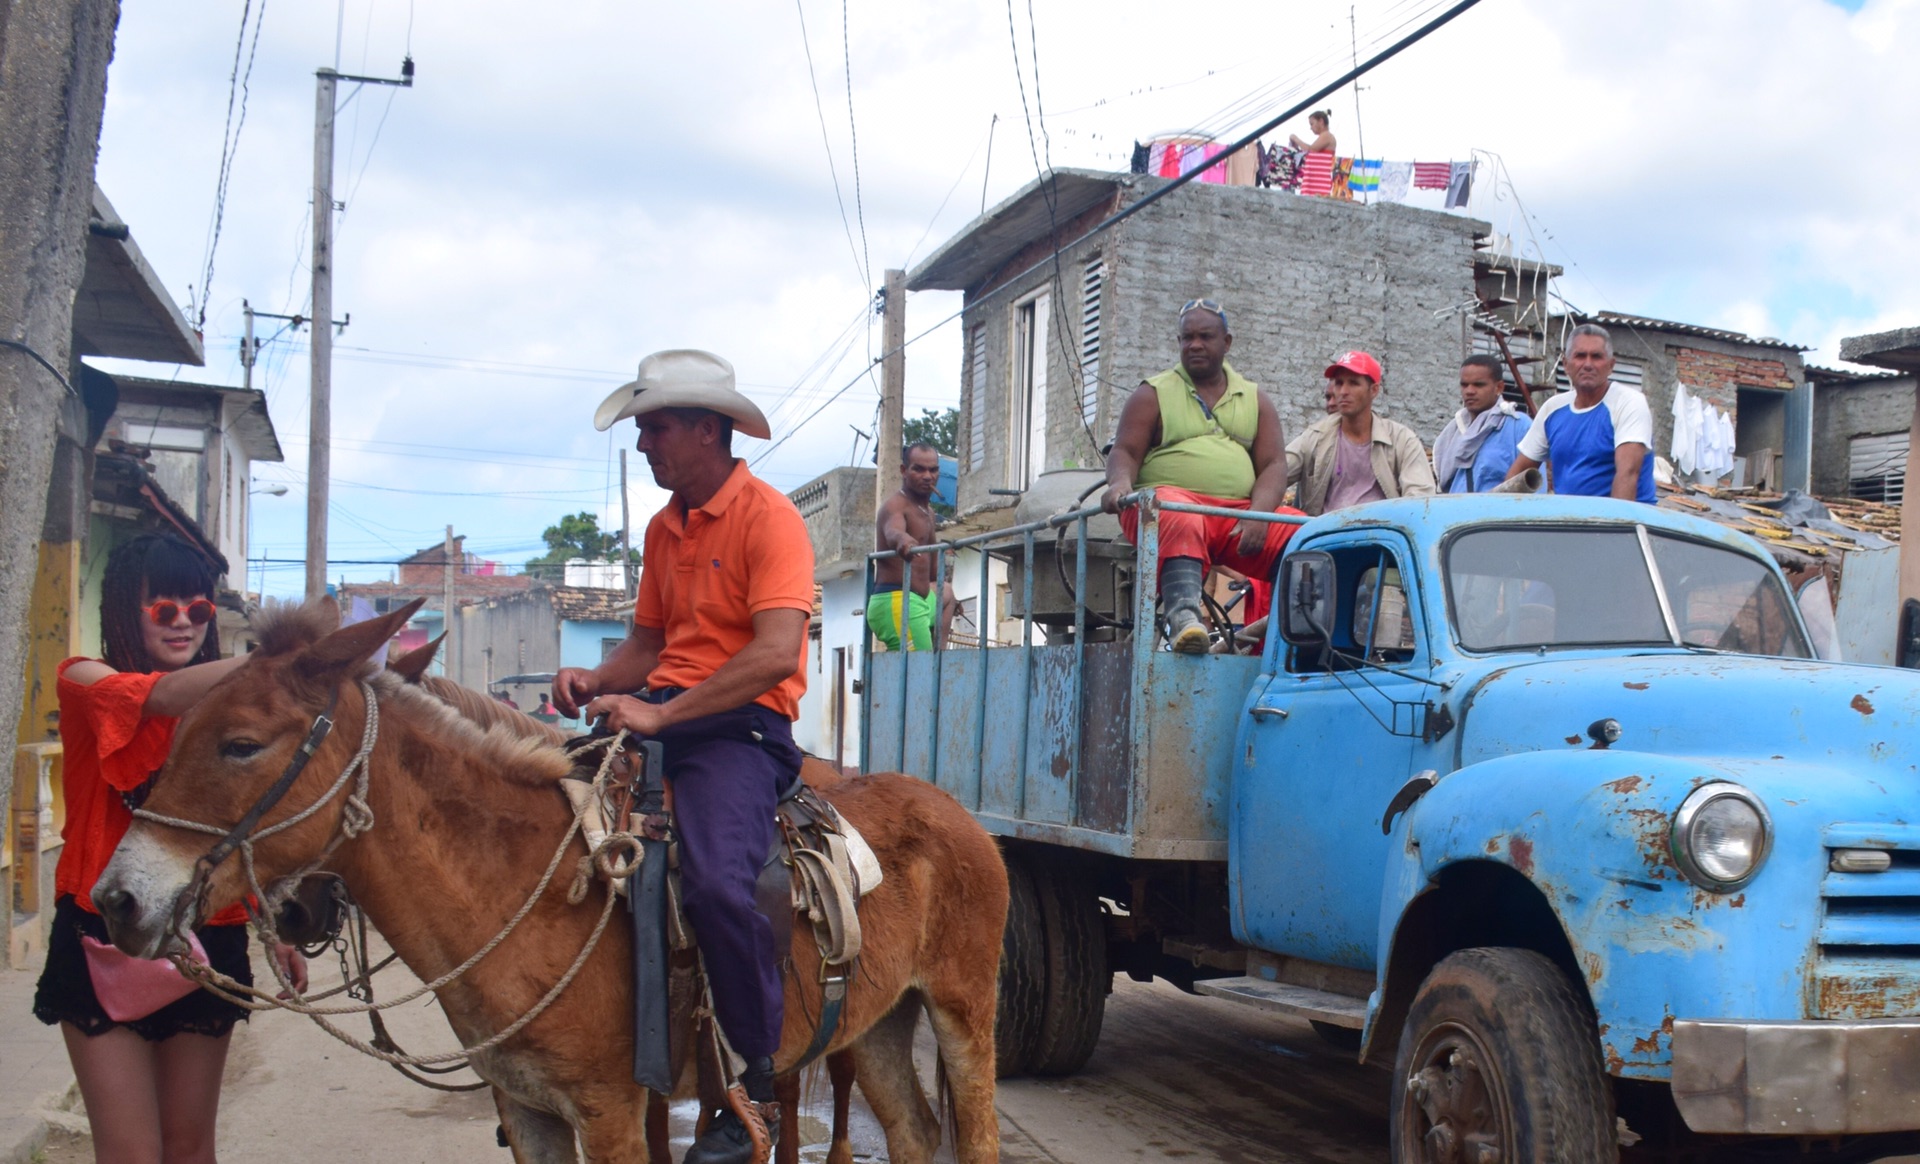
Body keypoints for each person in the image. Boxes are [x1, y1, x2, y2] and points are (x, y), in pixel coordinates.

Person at [554, 349, 814, 1164]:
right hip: (663, 714)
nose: (644, 447)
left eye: (655, 429)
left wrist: (662, 717)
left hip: (741, 729)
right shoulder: (666, 528)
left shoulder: (770, 518)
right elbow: (651, 644)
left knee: (713, 884)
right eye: (642, 431)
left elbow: (774, 653)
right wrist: (597, 679)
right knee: (538, 833)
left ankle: (754, 1091)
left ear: (709, 430)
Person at [33, 533, 307, 1164]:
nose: (184, 621)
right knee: (130, 1153)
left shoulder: (228, 711)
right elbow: (153, 698)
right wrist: (282, 658)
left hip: (208, 933)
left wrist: (275, 929)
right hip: (103, 936)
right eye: (163, 608)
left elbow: (244, 830)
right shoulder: (84, 679)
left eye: (199, 609)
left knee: (189, 1151)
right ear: (128, 608)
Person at [1102, 298, 1299, 654]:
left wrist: (1259, 515)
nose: (1194, 344)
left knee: (1310, 534)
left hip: (1235, 516)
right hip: (1161, 512)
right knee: (1178, 510)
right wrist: (1119, 484)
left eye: (1205, 336)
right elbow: (1124, 452)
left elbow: (1273, 465)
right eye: (1186, 337)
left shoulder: (1254, 398)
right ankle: (1185, 622)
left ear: (1227, 342)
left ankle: (1302, 640)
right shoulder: (1152, 394)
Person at [1505, 323, 1656, 503]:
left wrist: (1616, 530)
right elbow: (1515, 478)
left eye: (1597, 357)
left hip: (1626, 523)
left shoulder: (1629, 403)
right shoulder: (1552, 409)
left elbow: (1628, 474)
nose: (1588, 364)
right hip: (1571, 524)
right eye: (1580, 356)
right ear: (1566, 364)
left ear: (1611, 365)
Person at [1286, 350, 1438, 515]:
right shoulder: (1316, 436)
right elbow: (1276, 471)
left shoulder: (1402, 440)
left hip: (1381, 536)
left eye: (1353, 383)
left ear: (1373, 390)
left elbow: (1421, 500)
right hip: (1327, 537)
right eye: (1339, 383)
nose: (1343, 391)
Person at [866, 441, 942, 651]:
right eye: (919, 469)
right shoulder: (895, 505)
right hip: (896, 599)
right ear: (904, 470)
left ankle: (941, 659)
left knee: (947, 595)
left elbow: (934, 570)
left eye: (933, 470)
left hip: (920, 598)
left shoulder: (928, 512)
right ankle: (930, 665)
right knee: (919, 676)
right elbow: (893, 531)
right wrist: (902, 539)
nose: (928, 476)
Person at [1433, 355, 1533, 493]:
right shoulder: (1454, 431)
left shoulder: (1519, 426)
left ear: (1499, 387)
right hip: (1456, 512)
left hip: (1499, 513)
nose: (1469, 391)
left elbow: (1534, 487)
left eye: (1478, 385)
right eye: (1464, 385)